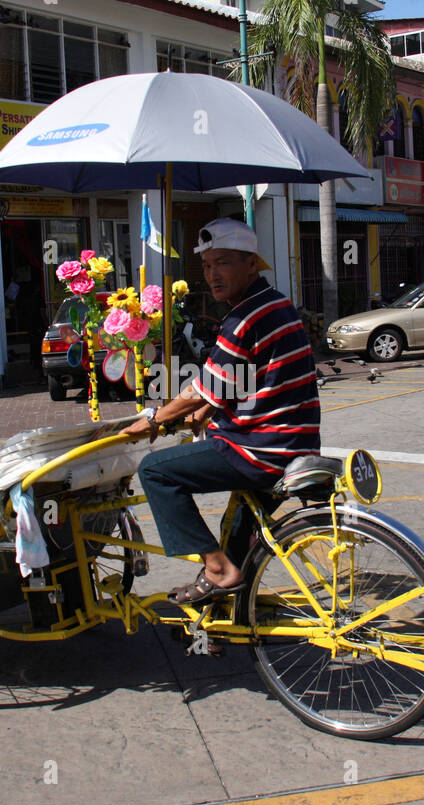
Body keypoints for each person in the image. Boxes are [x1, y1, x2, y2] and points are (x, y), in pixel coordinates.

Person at [128, 218, 321, 606]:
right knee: (236, 531)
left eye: (224, 263)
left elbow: (206, 386)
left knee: (155, 472)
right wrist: (206, 411)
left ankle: (216, 569)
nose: (214, 275)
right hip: (293, 443)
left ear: (252, 264)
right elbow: (240, 378)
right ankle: (224, 621)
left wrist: (153, 418)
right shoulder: (275, 303)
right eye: (207, 266)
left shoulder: (245, 317)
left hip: (260, 449)